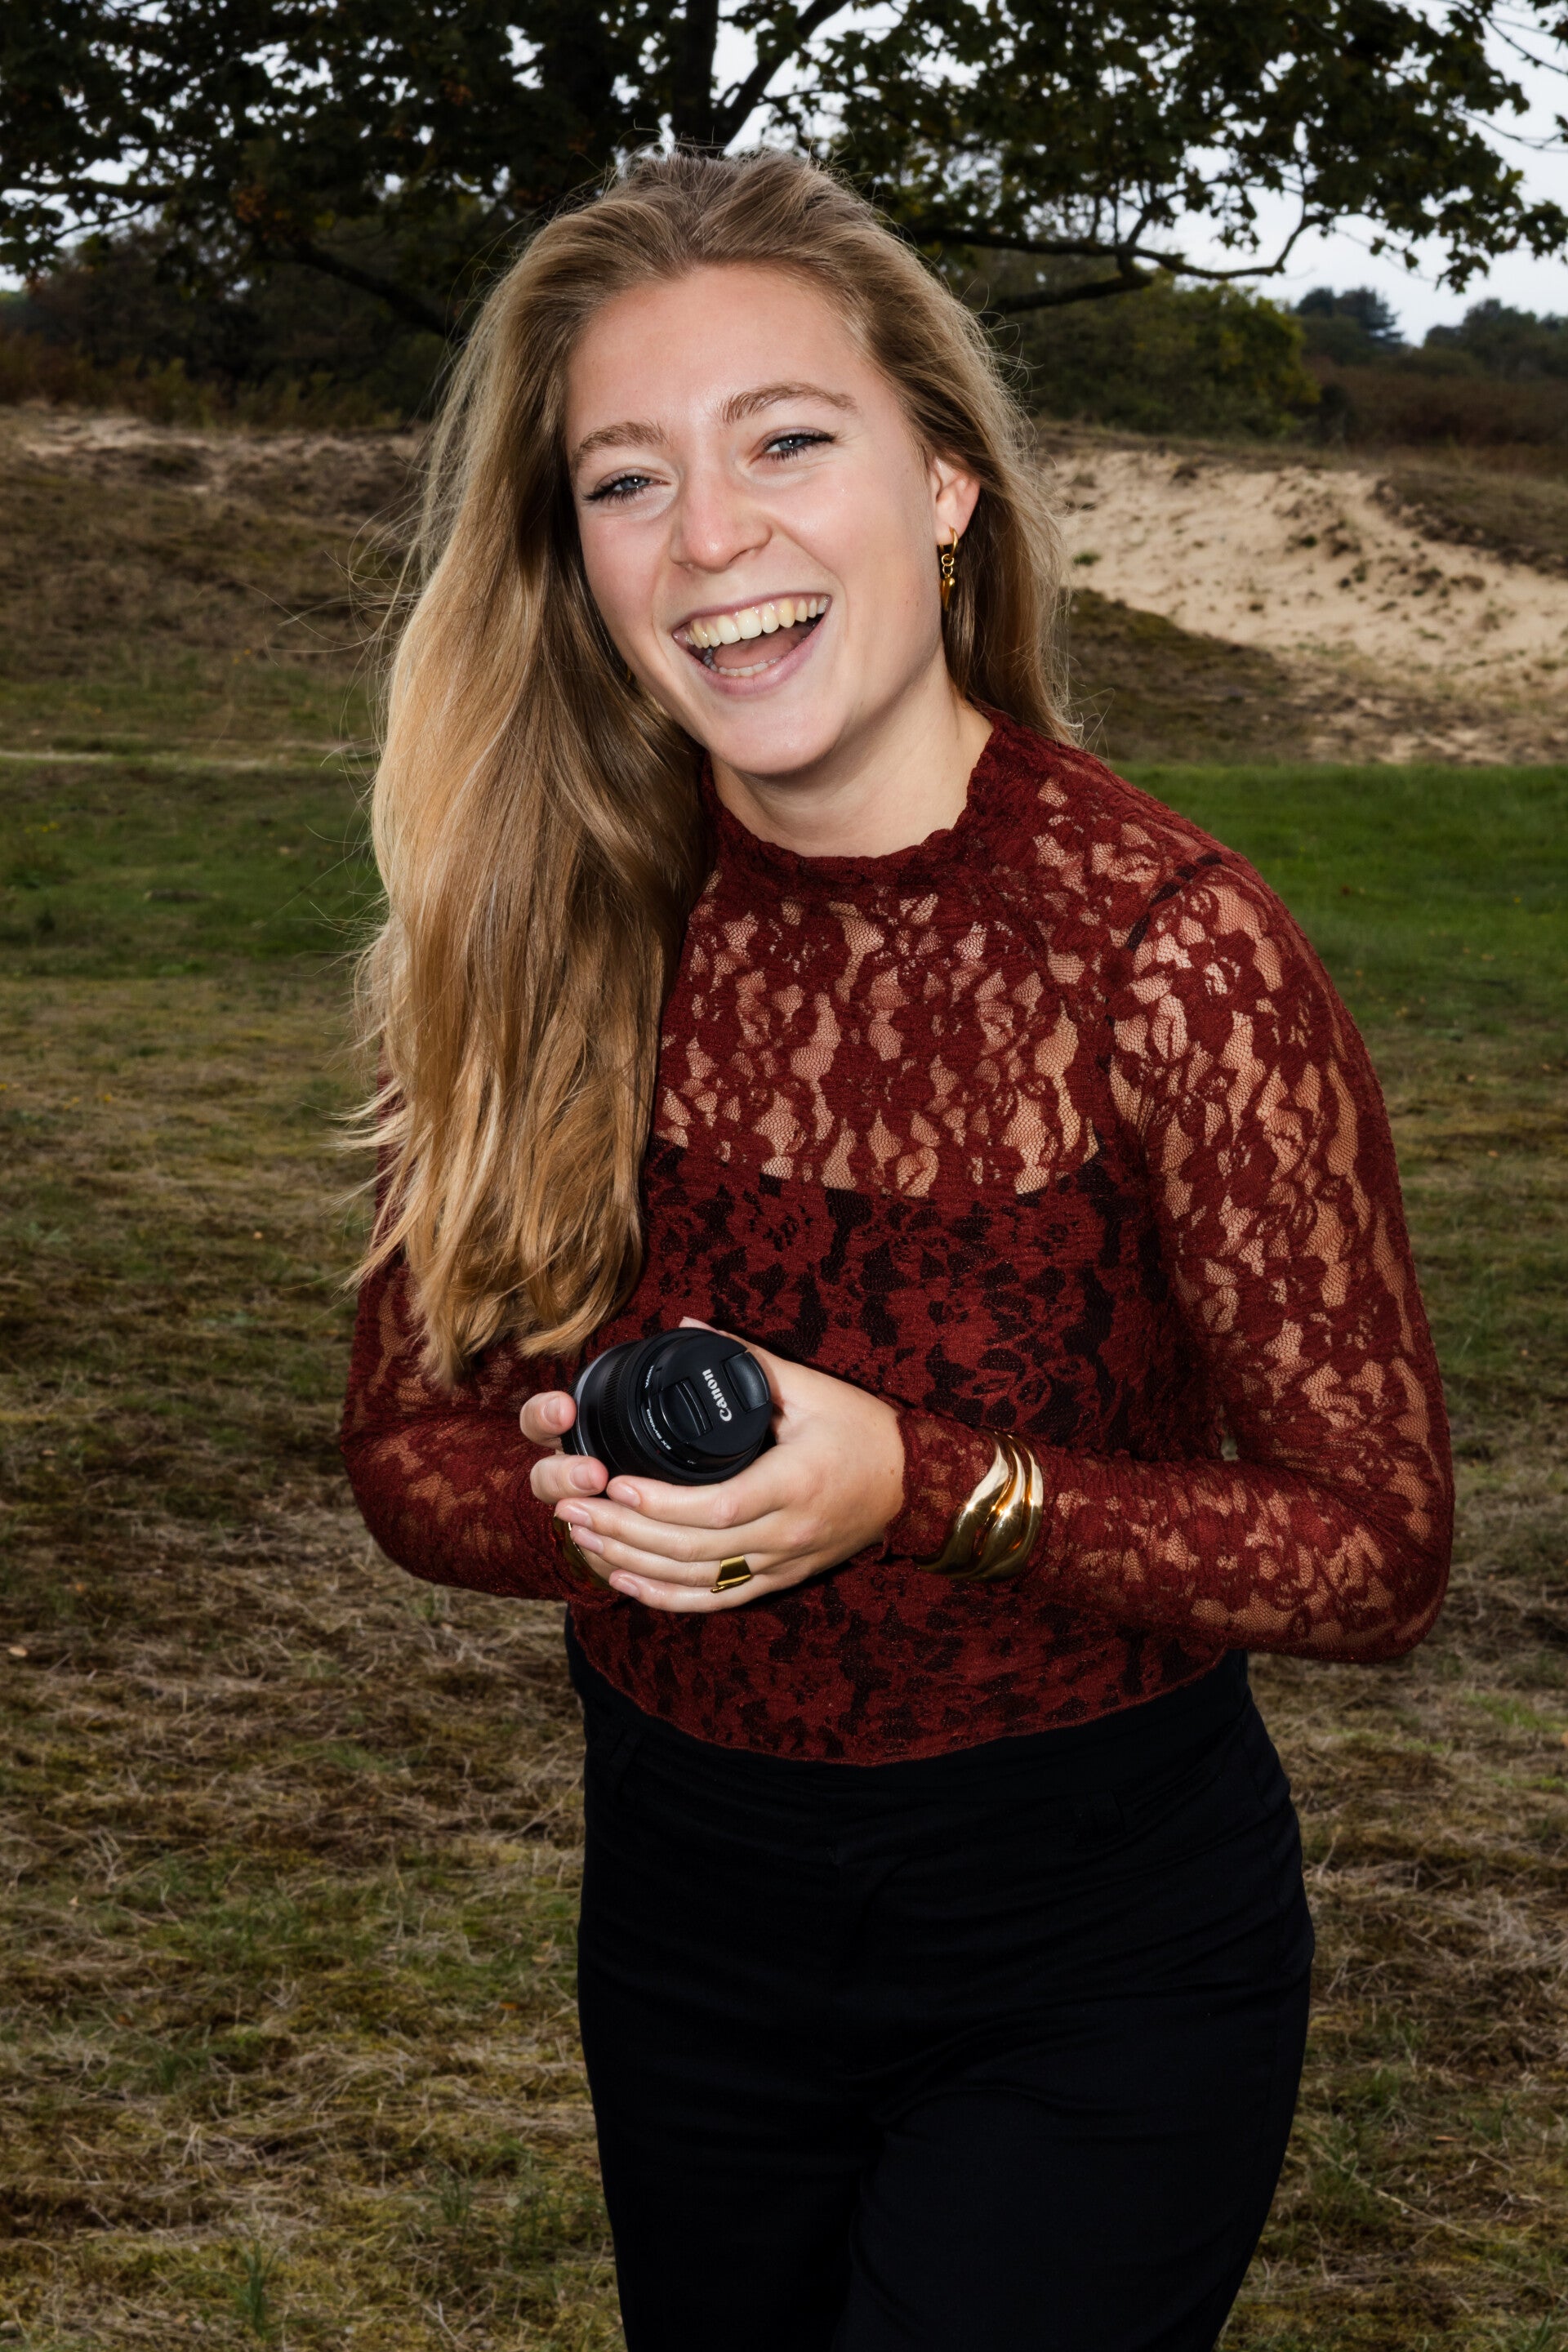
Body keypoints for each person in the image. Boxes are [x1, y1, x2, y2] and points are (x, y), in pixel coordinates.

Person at [341, 150, 1451, 2352]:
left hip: (1097, 1963)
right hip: (686, 1927)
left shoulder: (1174, 954)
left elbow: (1376, 1548)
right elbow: (401, 1446)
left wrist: (924, 1488)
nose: (710, 537)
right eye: (628, 480)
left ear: (946, 484)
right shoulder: (544, 922)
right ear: (576, 560)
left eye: (785, 441)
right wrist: (616, 1521)